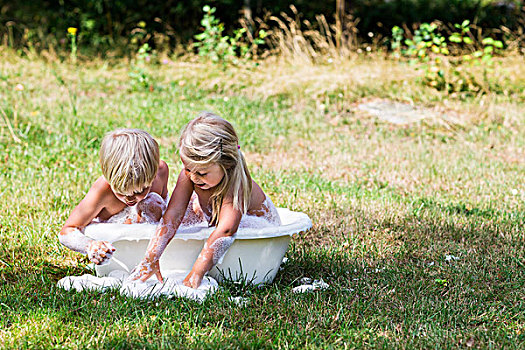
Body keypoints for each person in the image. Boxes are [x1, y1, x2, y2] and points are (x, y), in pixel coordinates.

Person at [129, 112, 280, 288]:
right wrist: (150, 259)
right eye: (187, 169)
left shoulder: (235, 182)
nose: (193, 177)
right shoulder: (192, 175)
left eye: (201, 173)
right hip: (214, 219)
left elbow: (227, 230)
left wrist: (196, 272)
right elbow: (173, 214)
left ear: (227, 165)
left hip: (257, 235)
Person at [58, 129, 169, 265]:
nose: (130, 199)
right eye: (121, 192)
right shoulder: (103, 190)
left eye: (140, 190)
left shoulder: (161, 172)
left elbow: (166, 209)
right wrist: (90, 246)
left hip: (150, 246)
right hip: (119, 253)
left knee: (152, 202)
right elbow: (67, 230)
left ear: (153, 174)